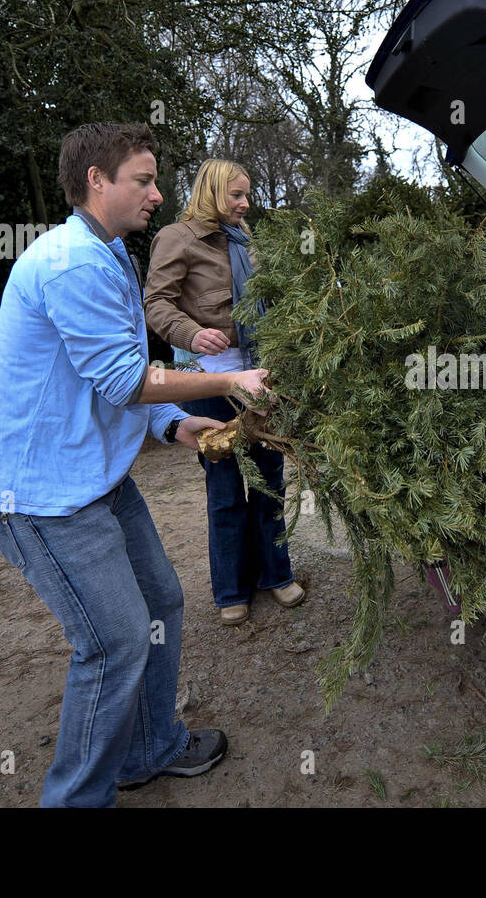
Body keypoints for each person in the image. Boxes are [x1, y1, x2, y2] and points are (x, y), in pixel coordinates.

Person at [0, 123, 271, 807]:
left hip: (93, 477)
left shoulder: (111, 255)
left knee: (159, 599)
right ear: (96, 180)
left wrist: (174, 422)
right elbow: (125, 379)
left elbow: (120, 374)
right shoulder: (69, 261)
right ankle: (76, 799)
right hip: (37, 491)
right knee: (113, 640)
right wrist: (238, 383)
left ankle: (149, 748)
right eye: (144, 179)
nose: (158, 193)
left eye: (156, 180)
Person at [144, 159, 302, 626]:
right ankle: (231, 589)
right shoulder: (177, 237)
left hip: (258, 376)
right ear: (212, 191)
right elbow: (157, 303)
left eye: (247, 194)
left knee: (270, 476)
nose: (245, 203)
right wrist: (190, 334)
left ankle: (277, 575)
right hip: (207, 379)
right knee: (227, 483)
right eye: (236, 194)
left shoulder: (246, 240)